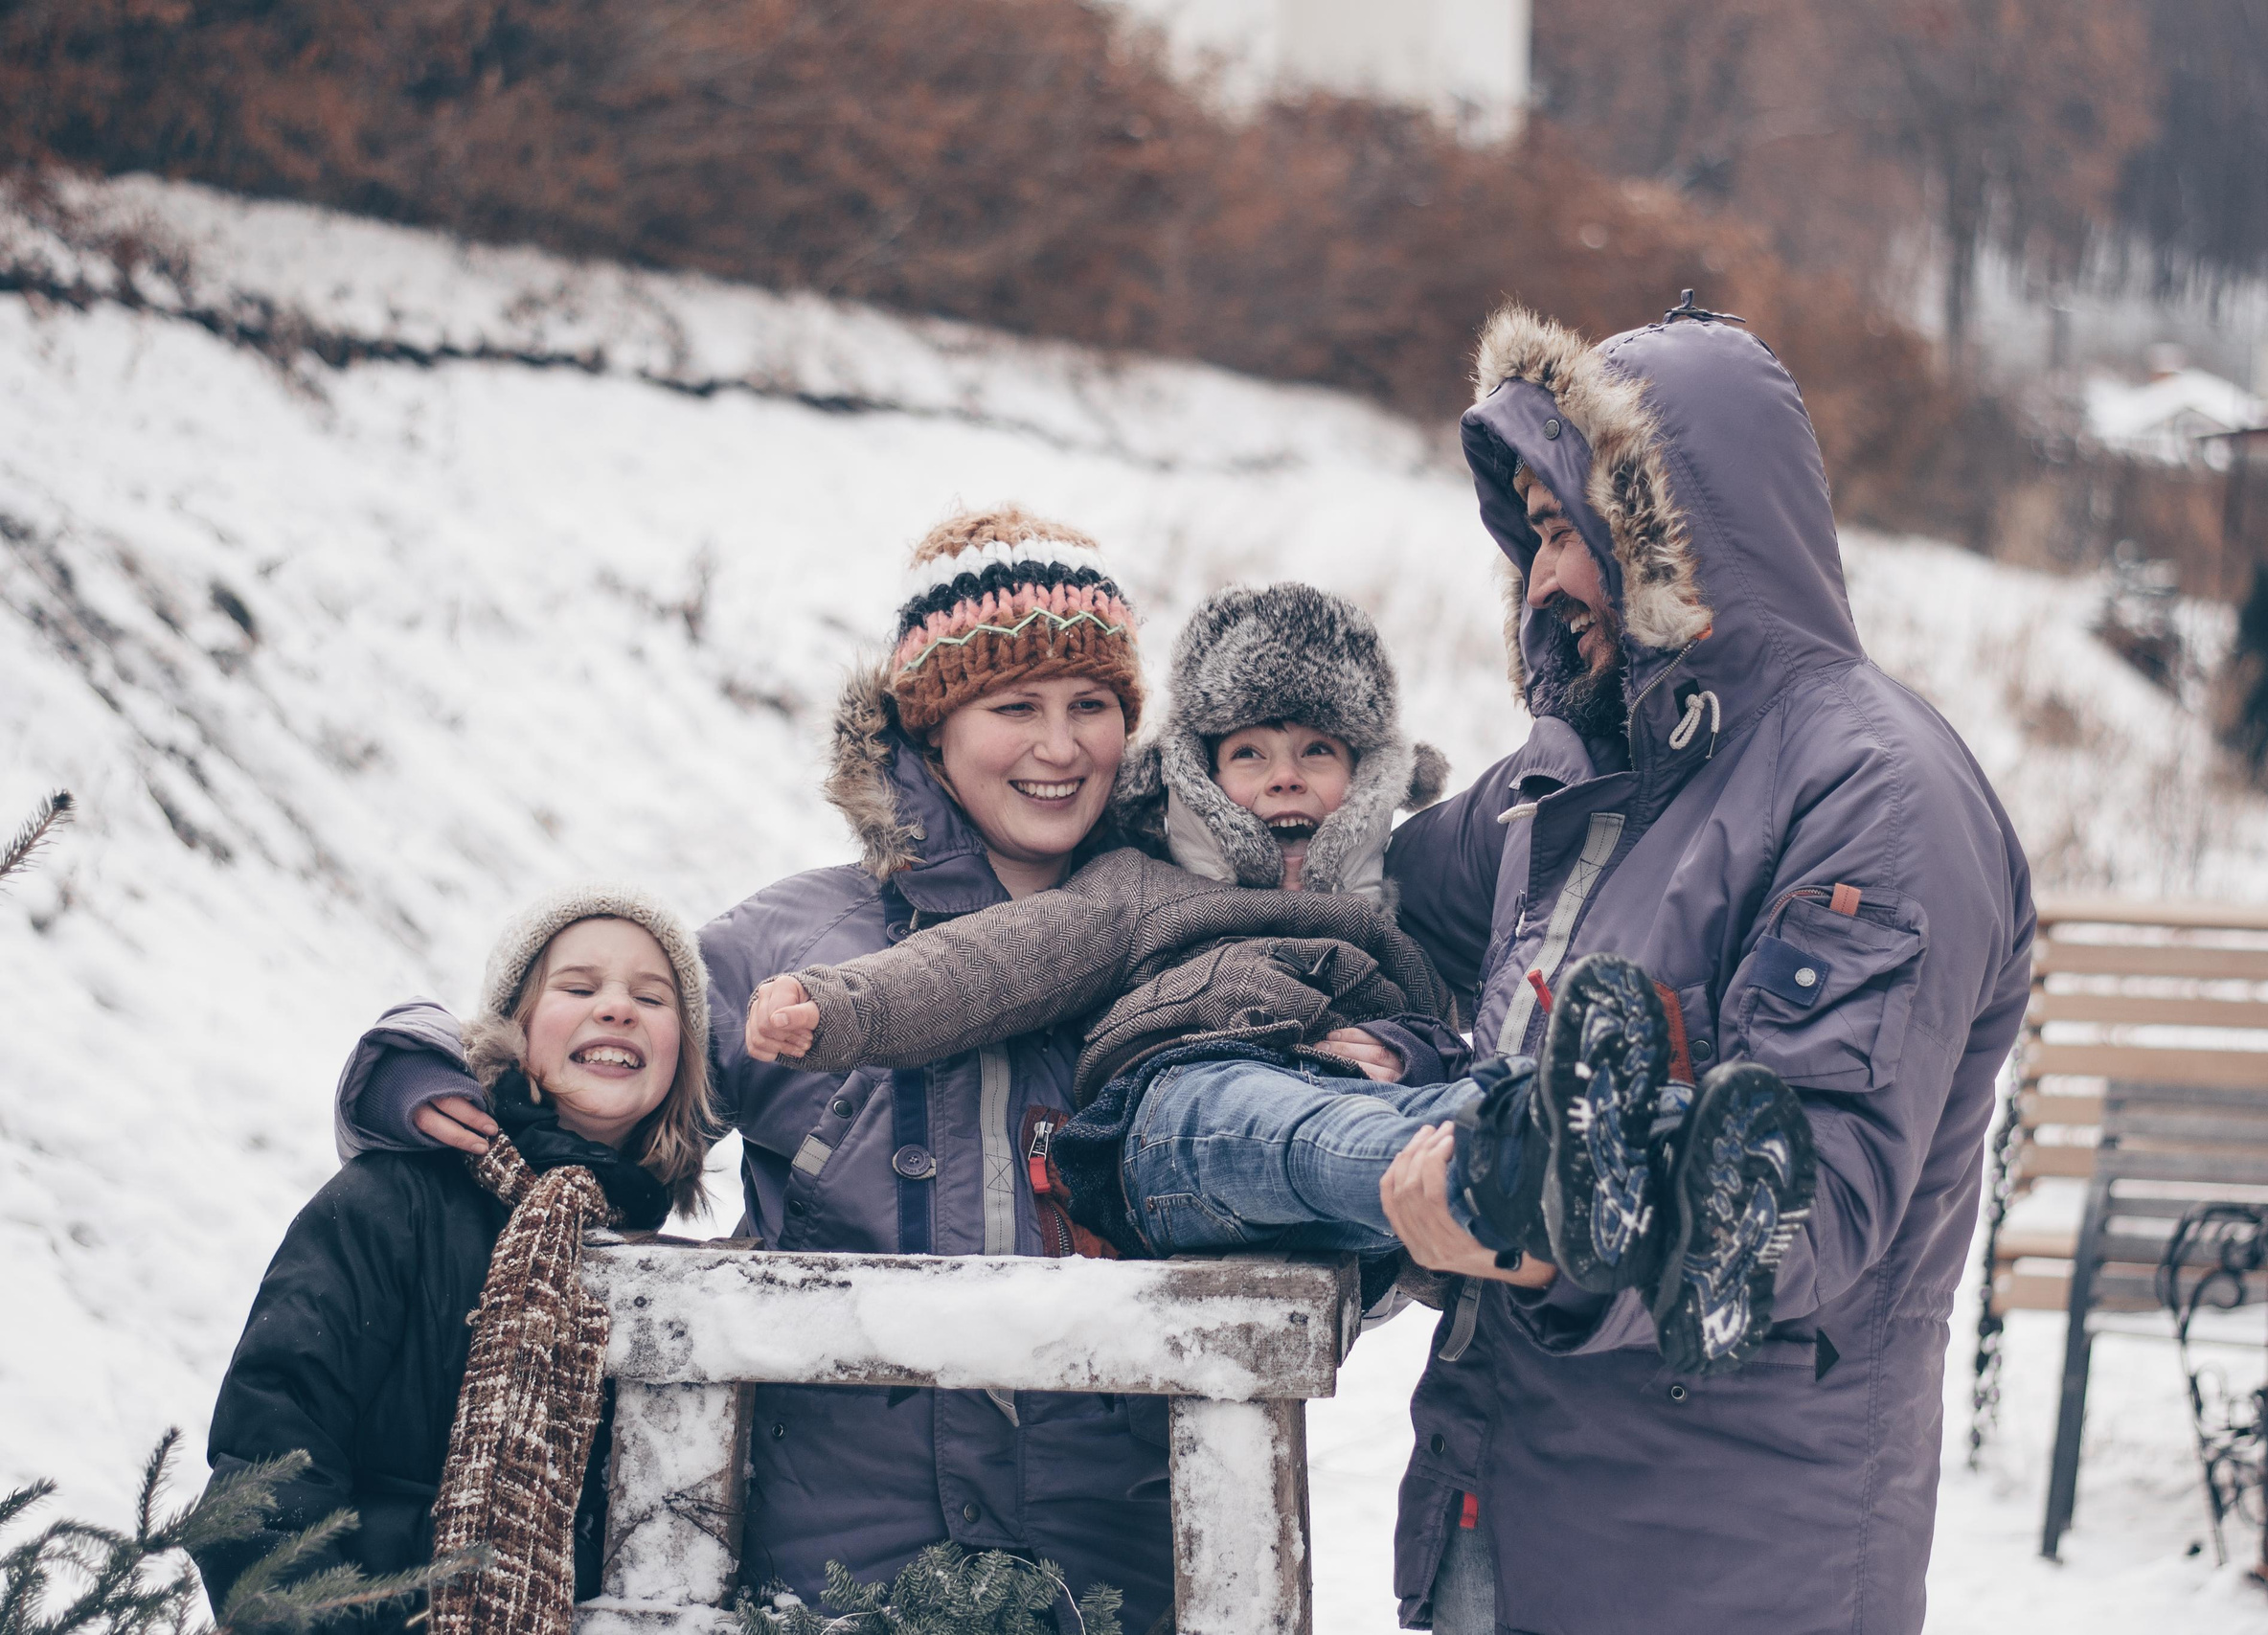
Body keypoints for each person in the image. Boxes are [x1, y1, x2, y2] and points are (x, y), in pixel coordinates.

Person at [325, 511, 1178, 1630]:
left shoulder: (1172, 936)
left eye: (1092, 707)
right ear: (929, 735)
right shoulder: (791, 946)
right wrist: (413, 1072)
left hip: (1103, 1550)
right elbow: (594, 1069)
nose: (1061, 749)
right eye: (1013, 707)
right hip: (833, 1554)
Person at [1373, 303, 2036, 1635]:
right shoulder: (1571, 775)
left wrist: (1535, 1213)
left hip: (1727, 1563)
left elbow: (1809, 1200)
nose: (1542, 575)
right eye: (1535, 535)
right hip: (1496, 1516)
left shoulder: (1874, 791)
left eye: (1569, 529)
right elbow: (1369, 894)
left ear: (1668, 529)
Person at [744, 585, 1814, 1325]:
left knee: (1431, 1101)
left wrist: (1407, 1052)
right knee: (1287, 1120)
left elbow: (1449, 1023)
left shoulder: (1387, 919)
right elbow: (993, 961)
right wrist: (839, 1008)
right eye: (1248, 753)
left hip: (1350, 1147)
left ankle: (1677, 1166)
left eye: (1317, 751)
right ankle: (1524, 1161)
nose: (1284, 777)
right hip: (1170, 1123)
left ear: (1369, 772)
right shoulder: (1140, 887)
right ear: (1201, 773)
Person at [199, 885, 717, 1635]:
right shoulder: (393, 1200)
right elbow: (270, 1450)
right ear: (514, 1027)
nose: (617, 1007)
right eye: (577, 986)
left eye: (652, 996)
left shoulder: (663, 1270)